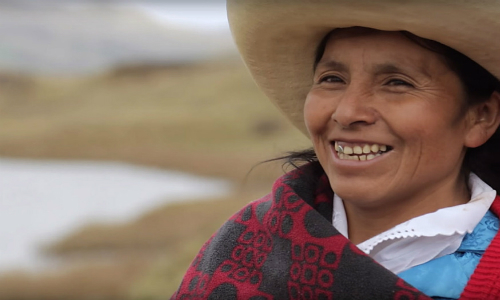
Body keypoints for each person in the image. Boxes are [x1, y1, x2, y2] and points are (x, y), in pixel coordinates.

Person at [173, 1, 500, 299]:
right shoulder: (244, 245)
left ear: (480, 117)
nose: (346, 112)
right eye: (332, 79)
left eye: (397, 83)